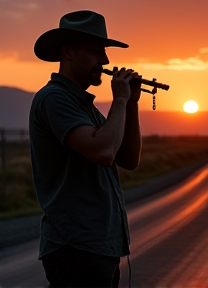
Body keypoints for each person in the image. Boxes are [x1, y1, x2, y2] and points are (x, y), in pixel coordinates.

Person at [29, 10, 142, 288]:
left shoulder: (84, 107)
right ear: (68, 52)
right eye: (95, 51)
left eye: (104, 52)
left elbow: (127, 158)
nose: (105, 61)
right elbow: (102, 152)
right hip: (76, 249)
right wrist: (119, 100)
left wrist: (130, 104)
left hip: (98, 248)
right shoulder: (55, 99)